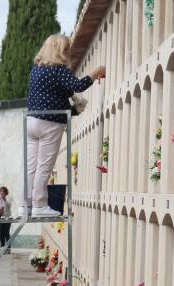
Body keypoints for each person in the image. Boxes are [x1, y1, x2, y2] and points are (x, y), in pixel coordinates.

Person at [23, 34, 105, 217]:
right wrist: (97, 72)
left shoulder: (37, 69)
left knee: (31, 166)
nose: (69, 53)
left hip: (31, 122)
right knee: (44, 166)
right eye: (67, 49)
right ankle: (39, 206)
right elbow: (78, 85)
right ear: (60, 51)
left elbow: (63, 91)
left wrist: (74, 106)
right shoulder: (58, 70)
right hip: (50, 124)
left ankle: (26, 205)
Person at [0, 186, 12, 252]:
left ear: (5, 192)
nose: (2, 192)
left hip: (7, 218)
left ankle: (8, 248)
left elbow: (9, 205)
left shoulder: (8, 198)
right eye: (0, 191)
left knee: (6, 233)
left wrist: (4, 199)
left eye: (3, 191)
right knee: (1, 233)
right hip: (1, 218)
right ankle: (2, 247)